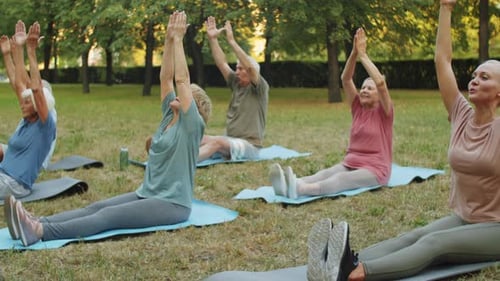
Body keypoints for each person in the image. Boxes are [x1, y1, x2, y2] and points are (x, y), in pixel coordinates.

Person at [310, 1, 500, 280]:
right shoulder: (461, 114)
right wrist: (446, 8)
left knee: (434, 244)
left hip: (495, 227)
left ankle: (355, 273)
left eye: (484, 77)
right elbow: (442, 61)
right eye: (473, 75)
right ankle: (342, 259)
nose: (474, 80)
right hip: (465, 218)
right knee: (415, 235)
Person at [4, 11, 212, 247]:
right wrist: (167, 38)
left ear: (193, 107)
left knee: (105, 217)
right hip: (147, 193)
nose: (178, 92)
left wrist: (178, 40)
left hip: (172, 204)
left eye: (186, 96)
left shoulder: (192, 125)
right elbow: (166, 78)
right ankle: (38, 220)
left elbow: (181, 79)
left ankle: (40, 231)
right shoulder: (169, 115)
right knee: (95, 207)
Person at [269, 28, 393, 199]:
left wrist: (363, 56)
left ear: (379, 95)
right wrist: (354, 53)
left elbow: (380, 82)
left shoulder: (385, 113)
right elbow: (346, 79)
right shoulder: (357, 107)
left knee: (341, 178)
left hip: (375, 169)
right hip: (351, 163)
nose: (363, 90)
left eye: (369, 89)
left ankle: (300, 190)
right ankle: (290, 183)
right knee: (325, 173)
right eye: (363, 87)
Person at [197, 16, 269, 162]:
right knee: (200, 138)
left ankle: (183, 163)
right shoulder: (236, 83)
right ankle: (169, 153)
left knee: (216, 143)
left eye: (241, 69)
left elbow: (249, 66)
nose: (237, 71)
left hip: (250, 147)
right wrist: (213, 39)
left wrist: (231, 41)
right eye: (236, 68)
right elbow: (222, 63)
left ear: (251, 72)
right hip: (230, 141)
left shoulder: (260, 88)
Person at [0, 20, 57, 199]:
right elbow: (19, 84)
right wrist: (15, 50)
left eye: (27, 102)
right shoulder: (28, 118)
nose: (21, 104)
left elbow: (35, 89)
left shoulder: (45, 125)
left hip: (14, 184)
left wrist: (31, 51)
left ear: (38, 104)